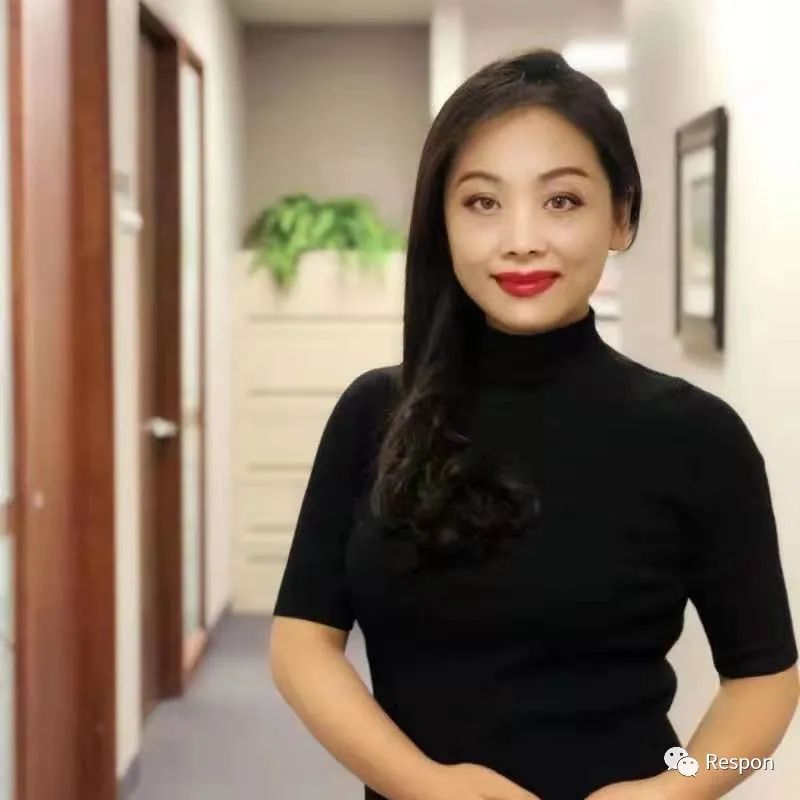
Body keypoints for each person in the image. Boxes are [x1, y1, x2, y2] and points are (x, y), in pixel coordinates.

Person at [269, 49, 799, 800]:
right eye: (483, 202)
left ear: (621, 216)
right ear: (442, 221)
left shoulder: (697, 436)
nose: (521, 238)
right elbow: (302, 645)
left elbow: (763, 680)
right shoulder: (374, 413)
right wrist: (428, 787)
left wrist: (672, 791)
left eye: (562, 200)